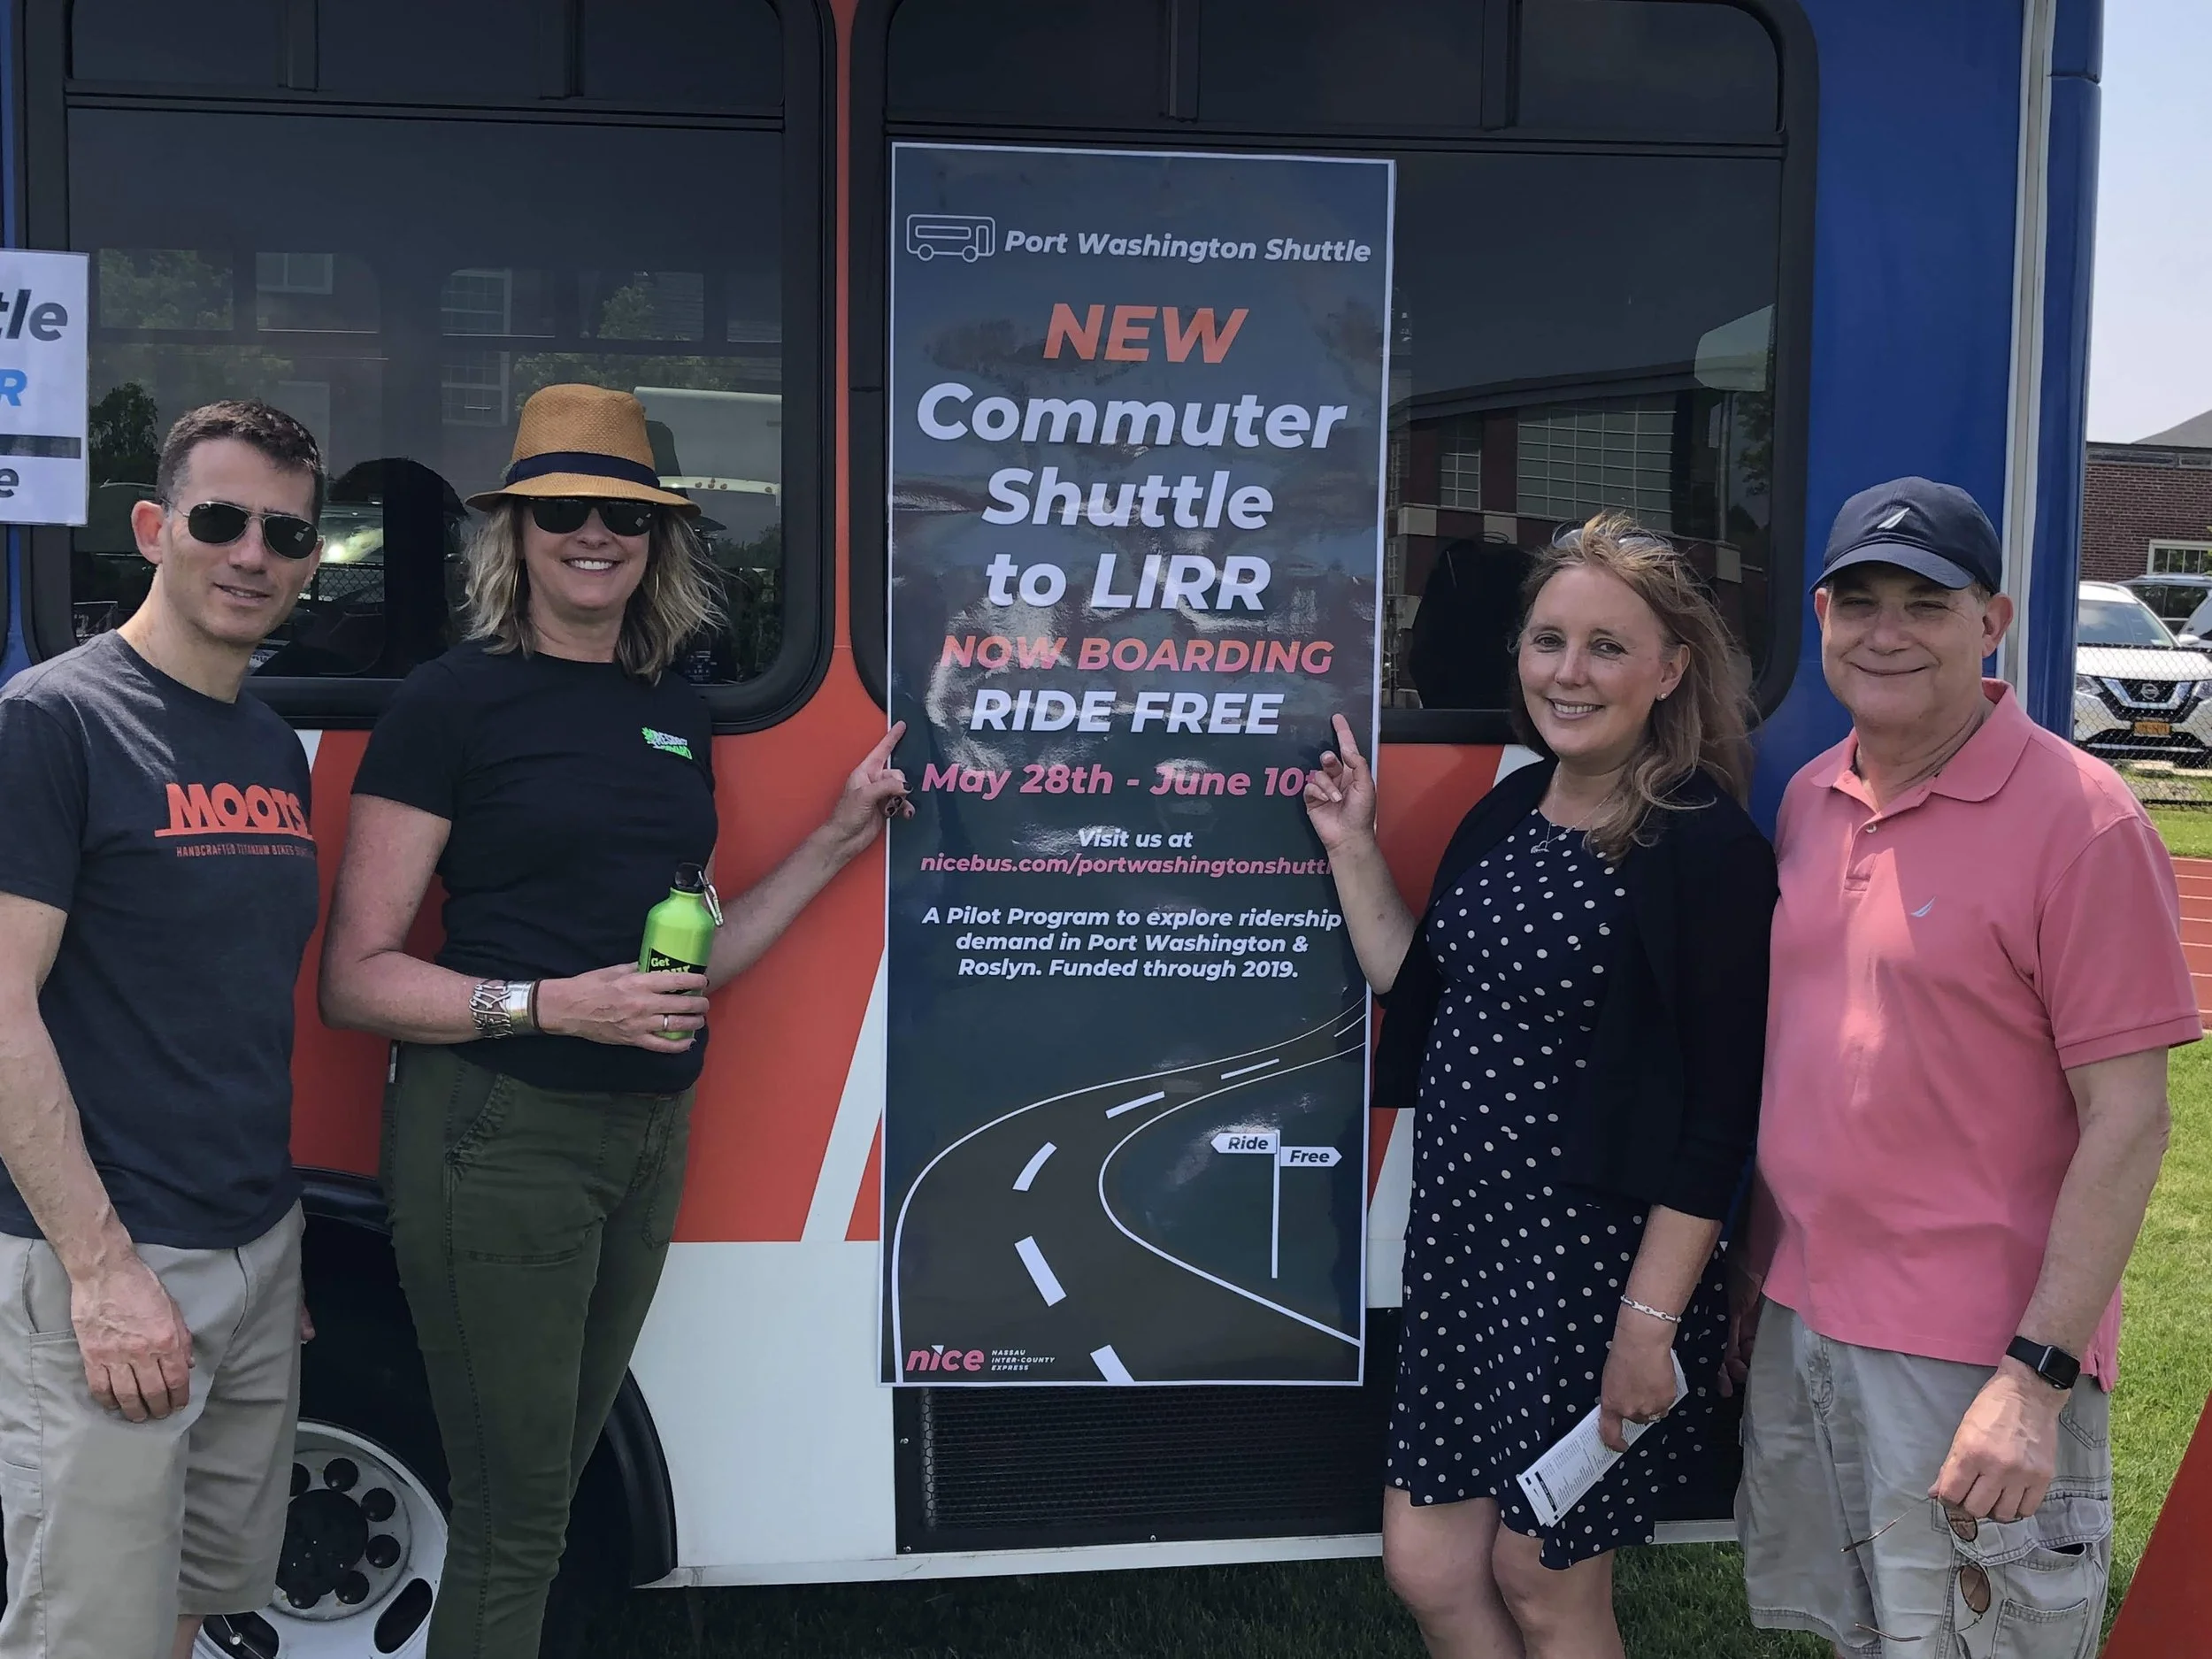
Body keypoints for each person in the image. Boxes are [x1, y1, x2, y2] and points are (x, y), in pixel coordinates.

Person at [317, 383, 908, 1656]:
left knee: (550, 1497)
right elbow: (355, 976)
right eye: (563, 511)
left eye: (625, 515)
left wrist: (835, 840)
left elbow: (687, 960)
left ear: (658, 540)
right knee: (518, 1513)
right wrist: (550, 1004)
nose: (596, 535)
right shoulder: (451, 701)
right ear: (514, 534)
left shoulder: (672, 709)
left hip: (643, 1142)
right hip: (496, 1138)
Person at [1732, 478, 2199, 1659]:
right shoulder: (1809, 797)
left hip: (1974, 1355)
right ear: (1822, 616)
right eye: (1861, 601)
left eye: (1925, 603)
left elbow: (2130, 1122)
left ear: (1990, 621)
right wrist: (1756, 1280)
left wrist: (2034, 1380)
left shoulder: (2082, 822)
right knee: (1862, 1636)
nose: (1888, 632)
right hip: (1813, 1327)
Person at [1307, 511, 1776, 1657]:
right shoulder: (1512, 811)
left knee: (1544, 1577)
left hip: (1594, 1273)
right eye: (1548, 640)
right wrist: (1352, 846)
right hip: (1467, 1255)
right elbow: (1421, 993)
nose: (1569, 672)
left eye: (1607, 646)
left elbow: (1719, 1116)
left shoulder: (1704, 846)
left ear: (1670, 669)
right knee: (1428, 1564)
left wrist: (1649, 1327)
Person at [0, 402, 327, 1658]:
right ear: (153, 528)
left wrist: (268, 1256)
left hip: (254, 1247)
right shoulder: (56, 722)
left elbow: (234, 999)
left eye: (287, 531)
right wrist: (99, 1270)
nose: (253, 552)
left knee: (197, 1592)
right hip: (119, 1263)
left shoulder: (266, 742)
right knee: (89, 1634)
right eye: (221, 518)